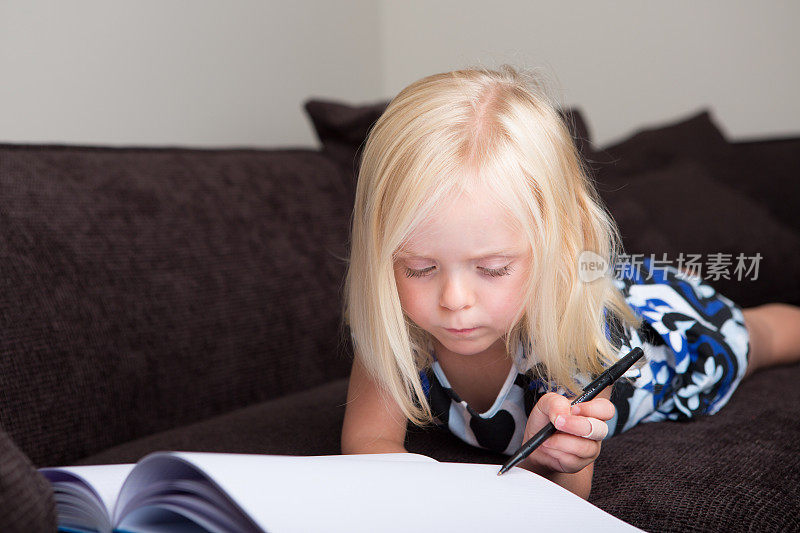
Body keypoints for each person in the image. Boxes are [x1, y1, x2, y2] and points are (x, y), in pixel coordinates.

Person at [339, 64, 800, 499]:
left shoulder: (571, 338)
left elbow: (568, 494)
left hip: (669, 330)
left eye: (493, 268)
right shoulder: (394, 321)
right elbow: (367, 444)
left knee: (761, 334)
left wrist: (557, 458)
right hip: (598, 278)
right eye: (419, 268)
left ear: (558, 247)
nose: (454, 300)